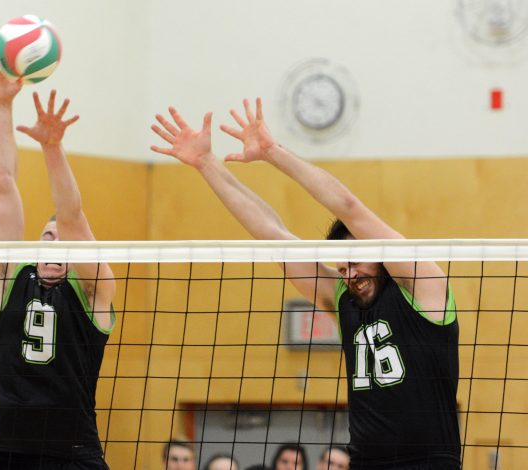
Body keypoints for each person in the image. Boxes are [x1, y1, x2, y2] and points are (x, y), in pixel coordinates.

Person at [149, 98, 460, 469]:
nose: (350, 275)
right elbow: (272, 233)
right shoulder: (342, 296)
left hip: (427, 462)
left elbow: (348, 206)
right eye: (341, 268)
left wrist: (272, 152)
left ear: (379, 252)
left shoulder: (422, 285)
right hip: (365, 462)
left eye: (356, 263)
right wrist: (207, 164)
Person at [0, 54, 116, 469]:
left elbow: (72, 218)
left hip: (74, 457)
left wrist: (52, 148)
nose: (55, 244)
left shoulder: (92, 290)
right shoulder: (11, 276)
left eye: (63, 241)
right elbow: (3, 187)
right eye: (46, 237)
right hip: (12, 456)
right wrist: (1, 107)